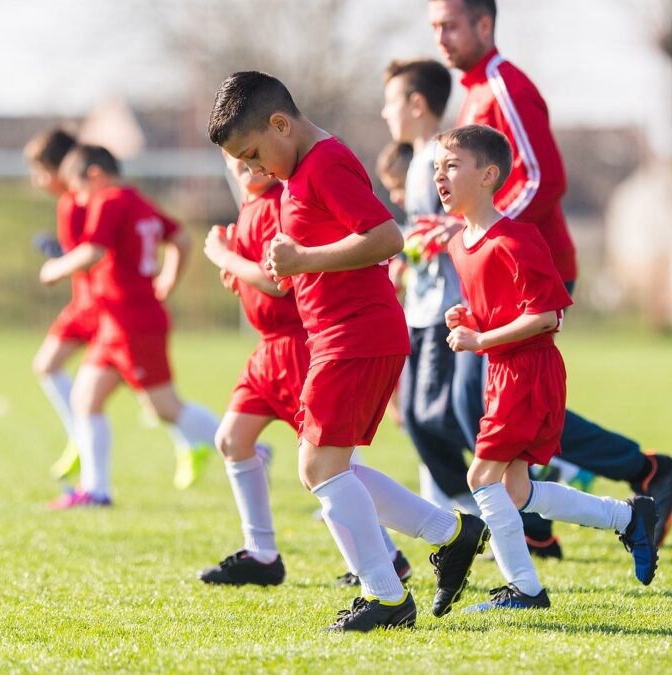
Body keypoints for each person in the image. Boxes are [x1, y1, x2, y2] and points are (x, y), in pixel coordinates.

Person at [207, 71, 490, 632]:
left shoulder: (323, 163)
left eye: (255, 155)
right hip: (338, 334)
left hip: (356, 333)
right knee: (333, 467)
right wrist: (279, 264)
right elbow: (304, 256)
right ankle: (451, 535)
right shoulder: (300, 169)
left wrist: (302, 261)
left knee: (319, 466)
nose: (256, 171)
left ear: (281, 124)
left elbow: (387, 237)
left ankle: (387, 596)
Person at [428, 0, 672, 553]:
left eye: (450, 25)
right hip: (495, 273)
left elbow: (544, 177)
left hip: (532, 272)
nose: (440, 37)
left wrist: (487, 234)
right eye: (434, 28)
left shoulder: (505, 86)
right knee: (500, 406)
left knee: (501, 404)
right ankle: (538, 517)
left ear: (484, 25)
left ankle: (633, 476)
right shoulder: (473, 91)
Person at [436, 124, 658, 612]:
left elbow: (545, 317)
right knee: (513, 490)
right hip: (502, 372)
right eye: (437, 168)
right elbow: (501, 309)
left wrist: (479, 338)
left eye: (452, 165)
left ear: (489, 176)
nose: (440, 176)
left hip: (529, 373)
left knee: (481, 479)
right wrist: (468, 319)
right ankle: (627, 519)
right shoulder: (458, 243)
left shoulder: (516, 239)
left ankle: (525, 590)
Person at [198, 152, 411, 588]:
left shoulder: (281, 201)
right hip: (267, 350)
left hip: (299, 344)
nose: (248, 166)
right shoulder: (248, 208)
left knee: (327, 466)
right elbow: (254, 276)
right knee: (232, 440)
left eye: (253, 156)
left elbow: (275, 280)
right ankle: (261, 554)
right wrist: (234, 268)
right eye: (236, 158)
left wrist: (225, 258)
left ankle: (387, 557)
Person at [40, 145, 220, 508]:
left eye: (79, 191)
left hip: (134, 321)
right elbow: (181, 238)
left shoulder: (109, 200)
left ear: (94, 175)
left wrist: (55, 269)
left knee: (165, 407)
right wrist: (168, 278)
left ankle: (247, 446)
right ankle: (96, 491)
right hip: (116, 321)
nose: (80, 200)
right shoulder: (138, 199)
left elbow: (93, 251)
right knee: (85, 399)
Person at [379, 59, 479, 516]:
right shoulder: (418, 162)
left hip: (447, 306)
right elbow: (422, 233)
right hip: (419, 307)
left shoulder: (444, 158)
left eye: (390, 102)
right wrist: (405, 259)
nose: (385, 113)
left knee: (436, 416)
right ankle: (475, 518)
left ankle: (538, 465)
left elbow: (470, 219)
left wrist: (445, 233)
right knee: (418, 421)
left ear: (416, 104)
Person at [24, 129, 98, 481]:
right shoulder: (76, 201)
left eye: (41, 171)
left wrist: (58, 262)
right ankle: (80, 441)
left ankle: (222, 442)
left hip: (101, 304)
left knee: (158, 400)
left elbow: (95, 251)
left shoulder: (81, 201)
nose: (37, 181)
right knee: (48, 365)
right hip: (86, 302)